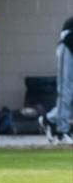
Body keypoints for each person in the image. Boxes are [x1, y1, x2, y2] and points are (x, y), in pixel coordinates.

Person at [39, 16, 73, 145]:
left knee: (70, 94)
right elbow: (66, 37)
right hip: (68, 49)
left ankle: (49, 119)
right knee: (66, 91)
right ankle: (61, 131)